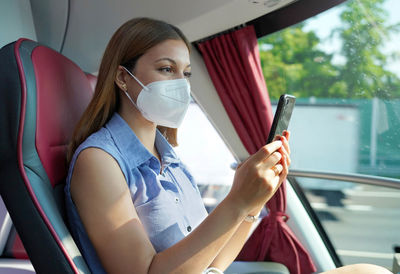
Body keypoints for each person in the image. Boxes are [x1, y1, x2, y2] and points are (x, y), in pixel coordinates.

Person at [65, 17, 391, 274]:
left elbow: (210, 265)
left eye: (187, 73)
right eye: (166, 69)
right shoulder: (99, 162)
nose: (180, 84)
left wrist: (252, 204)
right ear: (123, 78)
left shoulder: (168, 158)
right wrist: (236, 201)